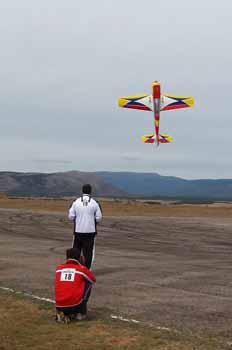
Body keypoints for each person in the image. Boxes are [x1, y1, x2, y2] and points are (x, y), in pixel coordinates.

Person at [55, 247, 96, 323]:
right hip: (75, 304)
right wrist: (84, 266)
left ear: (67, 257)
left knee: (63, 284)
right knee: (88, 283)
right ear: (79, 258)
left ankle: (63, 312)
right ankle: (80, 313)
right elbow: (93, 280)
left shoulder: (59, 268)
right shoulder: (81, 269)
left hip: (59, 304)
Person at [68, 184, 102, 269]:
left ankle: (75, 269)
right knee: (88, 252)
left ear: (82, 191)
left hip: (78, 231)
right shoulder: (95, 203)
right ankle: (87, 270)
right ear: (90, 191)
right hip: (90, 231)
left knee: (76, 251)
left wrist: (78, 218)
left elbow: (71, 216)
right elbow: (99, 218)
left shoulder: (76, 202)